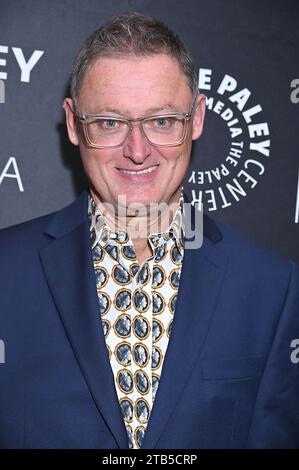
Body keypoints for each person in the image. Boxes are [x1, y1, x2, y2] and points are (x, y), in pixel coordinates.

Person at [0, 12, 298, 450]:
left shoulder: (271, 288)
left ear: (195, 118)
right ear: (73, 124)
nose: (137, 151)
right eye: (109, 123)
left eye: (161, 121)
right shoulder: (6, 271)